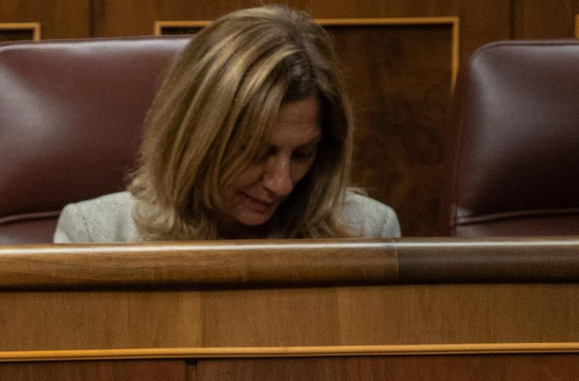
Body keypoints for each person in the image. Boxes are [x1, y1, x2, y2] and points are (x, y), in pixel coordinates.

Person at [54, 6, 400, 243]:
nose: (281, 185)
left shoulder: (369, 230)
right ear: (197, 138)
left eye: (302, 154)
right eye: (257, 151)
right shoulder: (97, 233)